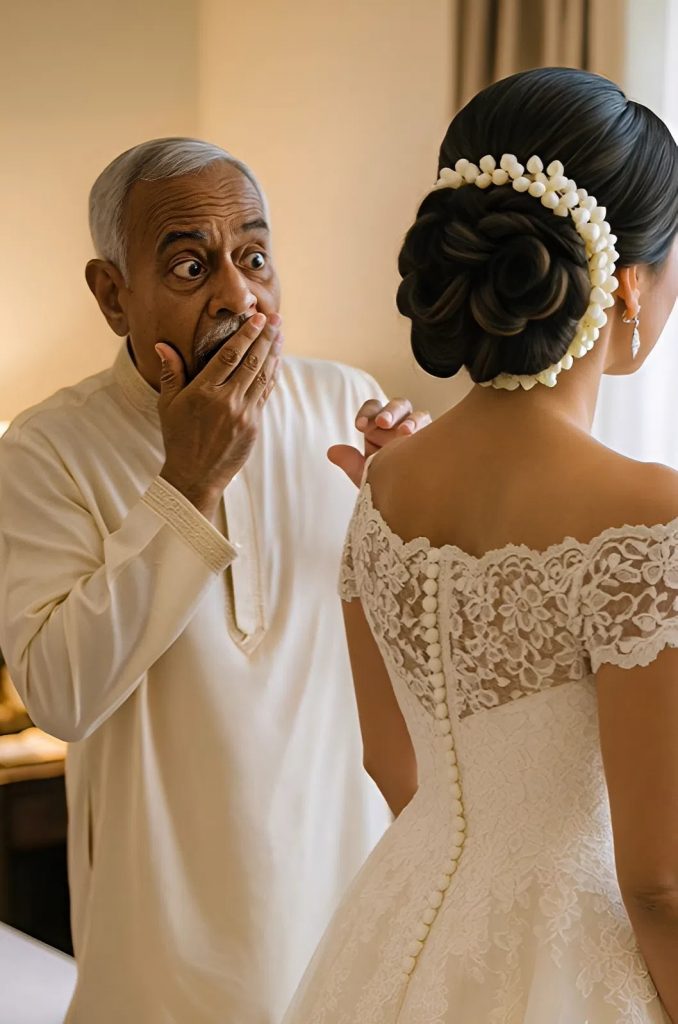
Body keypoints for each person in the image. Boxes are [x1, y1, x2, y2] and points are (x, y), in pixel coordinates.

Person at [0, 138, 431, 1024]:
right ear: (112, 294)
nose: (239, 296)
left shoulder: (342, 404)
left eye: (255, 257)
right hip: (160, 967)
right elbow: (60, 696)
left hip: (345, 931)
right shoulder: (46, 450)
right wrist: (189, 481)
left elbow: (422, 663)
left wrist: (424, 516)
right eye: (192, 266)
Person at [282, 67, 678, 1024]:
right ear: (629, 284)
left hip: (400, 928)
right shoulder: (648, 518)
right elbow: (661, 879)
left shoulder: (384, 491)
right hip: (577, 965)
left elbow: (392, 765)